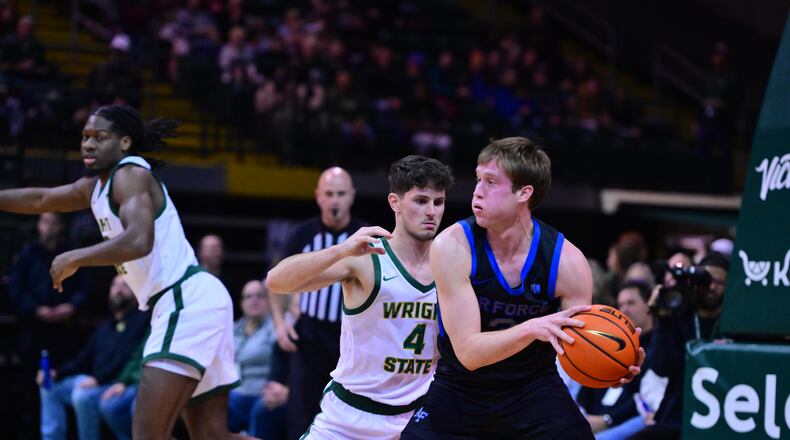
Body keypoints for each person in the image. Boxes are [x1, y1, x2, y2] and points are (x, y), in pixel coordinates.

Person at [0, 104, 252, 439]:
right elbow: (41, 199)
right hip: (193, 301)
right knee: (213, 436)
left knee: (147, 434)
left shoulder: (130, 174)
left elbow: (138, 239)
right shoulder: (96, 188)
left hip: (184, 299)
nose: (88, 144)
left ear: (124, 143)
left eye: (100, 137)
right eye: (86, 136)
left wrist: (75, 257)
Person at [401, 137, 643, 439]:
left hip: (532, 387)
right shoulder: (452, 246)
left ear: (523, 193)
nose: (476, 191)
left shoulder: (568, 262)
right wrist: (533, 328)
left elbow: (575, 350)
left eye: (491, 182)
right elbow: (468, 353)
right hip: (461, 386)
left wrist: (610, 366)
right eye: (478, 179)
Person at [267, 155, 454, 439]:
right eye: (420, 201)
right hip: (348, 416)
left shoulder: (451, 266)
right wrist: (341, 249)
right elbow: (276, 281)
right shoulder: (367, 258)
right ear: (395, 203)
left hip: (413, 418)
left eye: (438, 202)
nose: (431, 212)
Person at [268, 166, 367, 439]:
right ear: (318, 196)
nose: (335, 200)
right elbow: (275, 281)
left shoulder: (364, 235)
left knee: (350, 410)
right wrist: (279, 322)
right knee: (301, 411)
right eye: (329, 193)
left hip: (351, 338)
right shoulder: (301, 234)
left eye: (341, 193)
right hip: (309, 334)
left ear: (352, 196)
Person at [629, 252, 729, 440]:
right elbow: (661, 367)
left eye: (720, 282)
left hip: (726, 414)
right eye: (707, 280)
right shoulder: (679, 317)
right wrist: (663, 319)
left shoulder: (734, 324)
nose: (712, 287)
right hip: (676, 417)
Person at [37, 275, 147, 440]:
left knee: (82, 396)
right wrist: (56, 373)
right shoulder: (104, 326)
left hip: (114, 383)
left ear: (136, 291)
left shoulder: (141, 321)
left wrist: (99, 379)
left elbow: (127, 358)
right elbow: (83, 359)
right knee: (48, 385)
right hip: (94, 380)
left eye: (125, 285)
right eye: (115, 285)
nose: (118, 289)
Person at [579, 281, 661, 440]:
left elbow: (643, 400)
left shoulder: (659, 345)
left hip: (631, 421)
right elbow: (587, 388)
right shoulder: (610, 344)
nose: (624, 309)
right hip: (594, 419)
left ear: (649, 306)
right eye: (621, 304)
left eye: (631, 302)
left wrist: (607, 420)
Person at [228, 280, 277, 435]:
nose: (253, 300)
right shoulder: (234, 328)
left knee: (261, 411)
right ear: (241, 303)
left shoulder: (275, 327)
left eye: (259, 296)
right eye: (248, 296)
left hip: (262, 394)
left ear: (268, 300)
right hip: (236, 393)